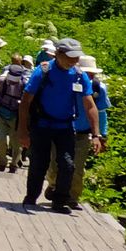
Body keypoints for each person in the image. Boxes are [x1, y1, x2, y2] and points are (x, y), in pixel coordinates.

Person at [17, 39, 104, 213]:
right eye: (70, 57)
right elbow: (26, 101)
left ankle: (60, 201)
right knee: (39, 163)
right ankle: (31, 197)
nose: (74, 61)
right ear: (58, 54)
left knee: (68, 164)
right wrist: (23, 131)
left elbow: (90, 106)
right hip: (41, 124)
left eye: (76, 57)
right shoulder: (42, 72)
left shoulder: (79, 75)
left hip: (65, 126)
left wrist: (96, 135)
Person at [47, 53, 111, 210]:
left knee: (77, 168)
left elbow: (101, 113)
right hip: (62, 129)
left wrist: (102, 134)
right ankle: (53, 184)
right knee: (55, 164)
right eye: (86, 71)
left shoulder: (98, 89)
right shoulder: (67, 82)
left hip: (83, 133)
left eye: (91, 73)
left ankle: (72, 197)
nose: (89, 75)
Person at [0, 55, 31, 172]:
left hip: (16, 117)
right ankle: (2, 161)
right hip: (2, 113)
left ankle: (14, 163)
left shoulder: (24, 85)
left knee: (16, 141)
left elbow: (28, 101)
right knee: (0, 139)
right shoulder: (2, 82)